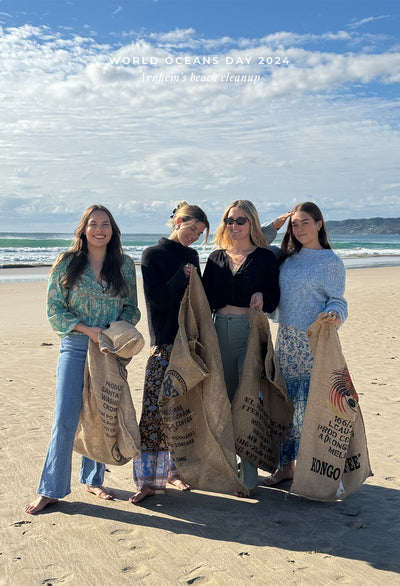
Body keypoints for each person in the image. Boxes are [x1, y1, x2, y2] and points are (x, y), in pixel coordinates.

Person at [25, 205, 140, 514]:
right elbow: (54, 307)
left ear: (113, 230)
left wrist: (114, 331)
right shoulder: (67, 262)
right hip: (76, 347)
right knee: (65, 417)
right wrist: (87, 329)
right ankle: (50, 490)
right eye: (93, 224)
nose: (99, 229)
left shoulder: (125, 265)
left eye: (105, 224)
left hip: (108, 350)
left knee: (102, 416)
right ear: (83, 229)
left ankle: (93, 479)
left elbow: (131, 308)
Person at [130, 202, 209, 504]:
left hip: (188, 343)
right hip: (163, 343)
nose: (193, 236)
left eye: (199, 233)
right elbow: (158, 300)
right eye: (191, 229)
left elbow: (199, 301)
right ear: (177, 221)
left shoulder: (192, 256)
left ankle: (174, 471)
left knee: (182, 411)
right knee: (153, 411)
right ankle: (148, 481)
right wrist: (182, 276)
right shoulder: (153, 254)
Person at [263, 202, 348, 486]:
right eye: (294, 225)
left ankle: (317, 472)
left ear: (319, 224)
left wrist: (336, 315)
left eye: (305, 223)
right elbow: (254, 244)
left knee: (313, 408)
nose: (299, 229)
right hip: (286, 340)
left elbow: (337, 299)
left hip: (314, 342)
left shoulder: (331, 262)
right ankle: (286, 468)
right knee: (285, 405)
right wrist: (275, 226)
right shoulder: (285, 257)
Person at [202, 200, 280, 496]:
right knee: (222, 399)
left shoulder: (264, 258)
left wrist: (262, 294)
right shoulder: (216, 257)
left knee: (247, 400)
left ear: (252, 224)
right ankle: (226, 466)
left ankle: (248, 475)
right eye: (229, 220)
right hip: (218, 331)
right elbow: (205, 300)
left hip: (250, 332)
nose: (234, 226)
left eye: (241, 221)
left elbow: (274, 298)